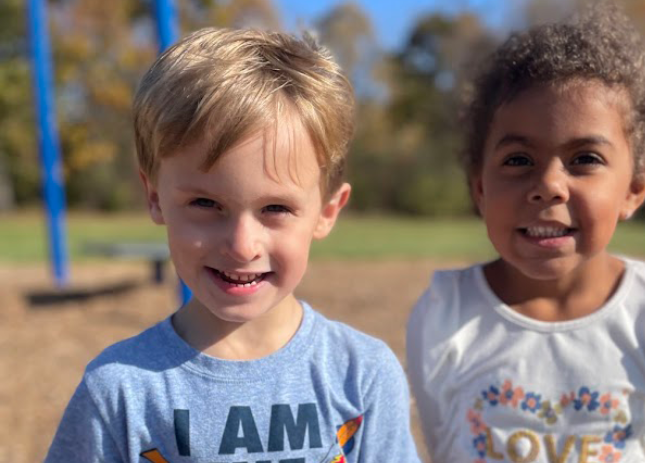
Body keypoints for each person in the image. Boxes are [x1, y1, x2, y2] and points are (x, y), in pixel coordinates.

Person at [46, 28, 421, 463]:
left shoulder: (363, 376)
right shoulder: (119, 390)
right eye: (205, 203)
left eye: (275, 208)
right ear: (154, 198)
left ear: (327, 211)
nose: (243, 246)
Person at [406, 4, 645, 463]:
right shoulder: (445, 318)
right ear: (480, 188)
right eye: (517, 160)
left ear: (635, 188)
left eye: (585, 159)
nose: (549, 185)